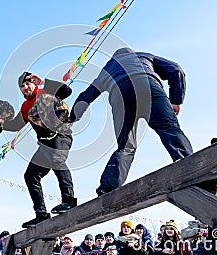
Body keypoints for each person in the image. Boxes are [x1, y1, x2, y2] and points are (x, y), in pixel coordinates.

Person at [70, 48, 193, 196]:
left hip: (120, 94)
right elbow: (176, 69)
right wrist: (176, 100)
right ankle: (191, 165)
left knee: (126, 146)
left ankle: (108, 187)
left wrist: (72, 118)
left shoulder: (107, 69)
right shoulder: (143, 56)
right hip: (148, 85)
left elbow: (87, 94)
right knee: (170, 130)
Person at [0, 72, 77, 228]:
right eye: (22, 86)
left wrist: (44, 81)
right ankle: (41, 214)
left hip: (60, 136)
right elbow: (17, 125)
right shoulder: (25, 106)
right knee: (31, 175)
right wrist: (1, 122)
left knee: (57, 160)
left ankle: (69, 200)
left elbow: (66, 91)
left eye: (28, 83)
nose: (25, 87)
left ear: (34, 83)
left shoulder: (45, 93)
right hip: (45, 145)